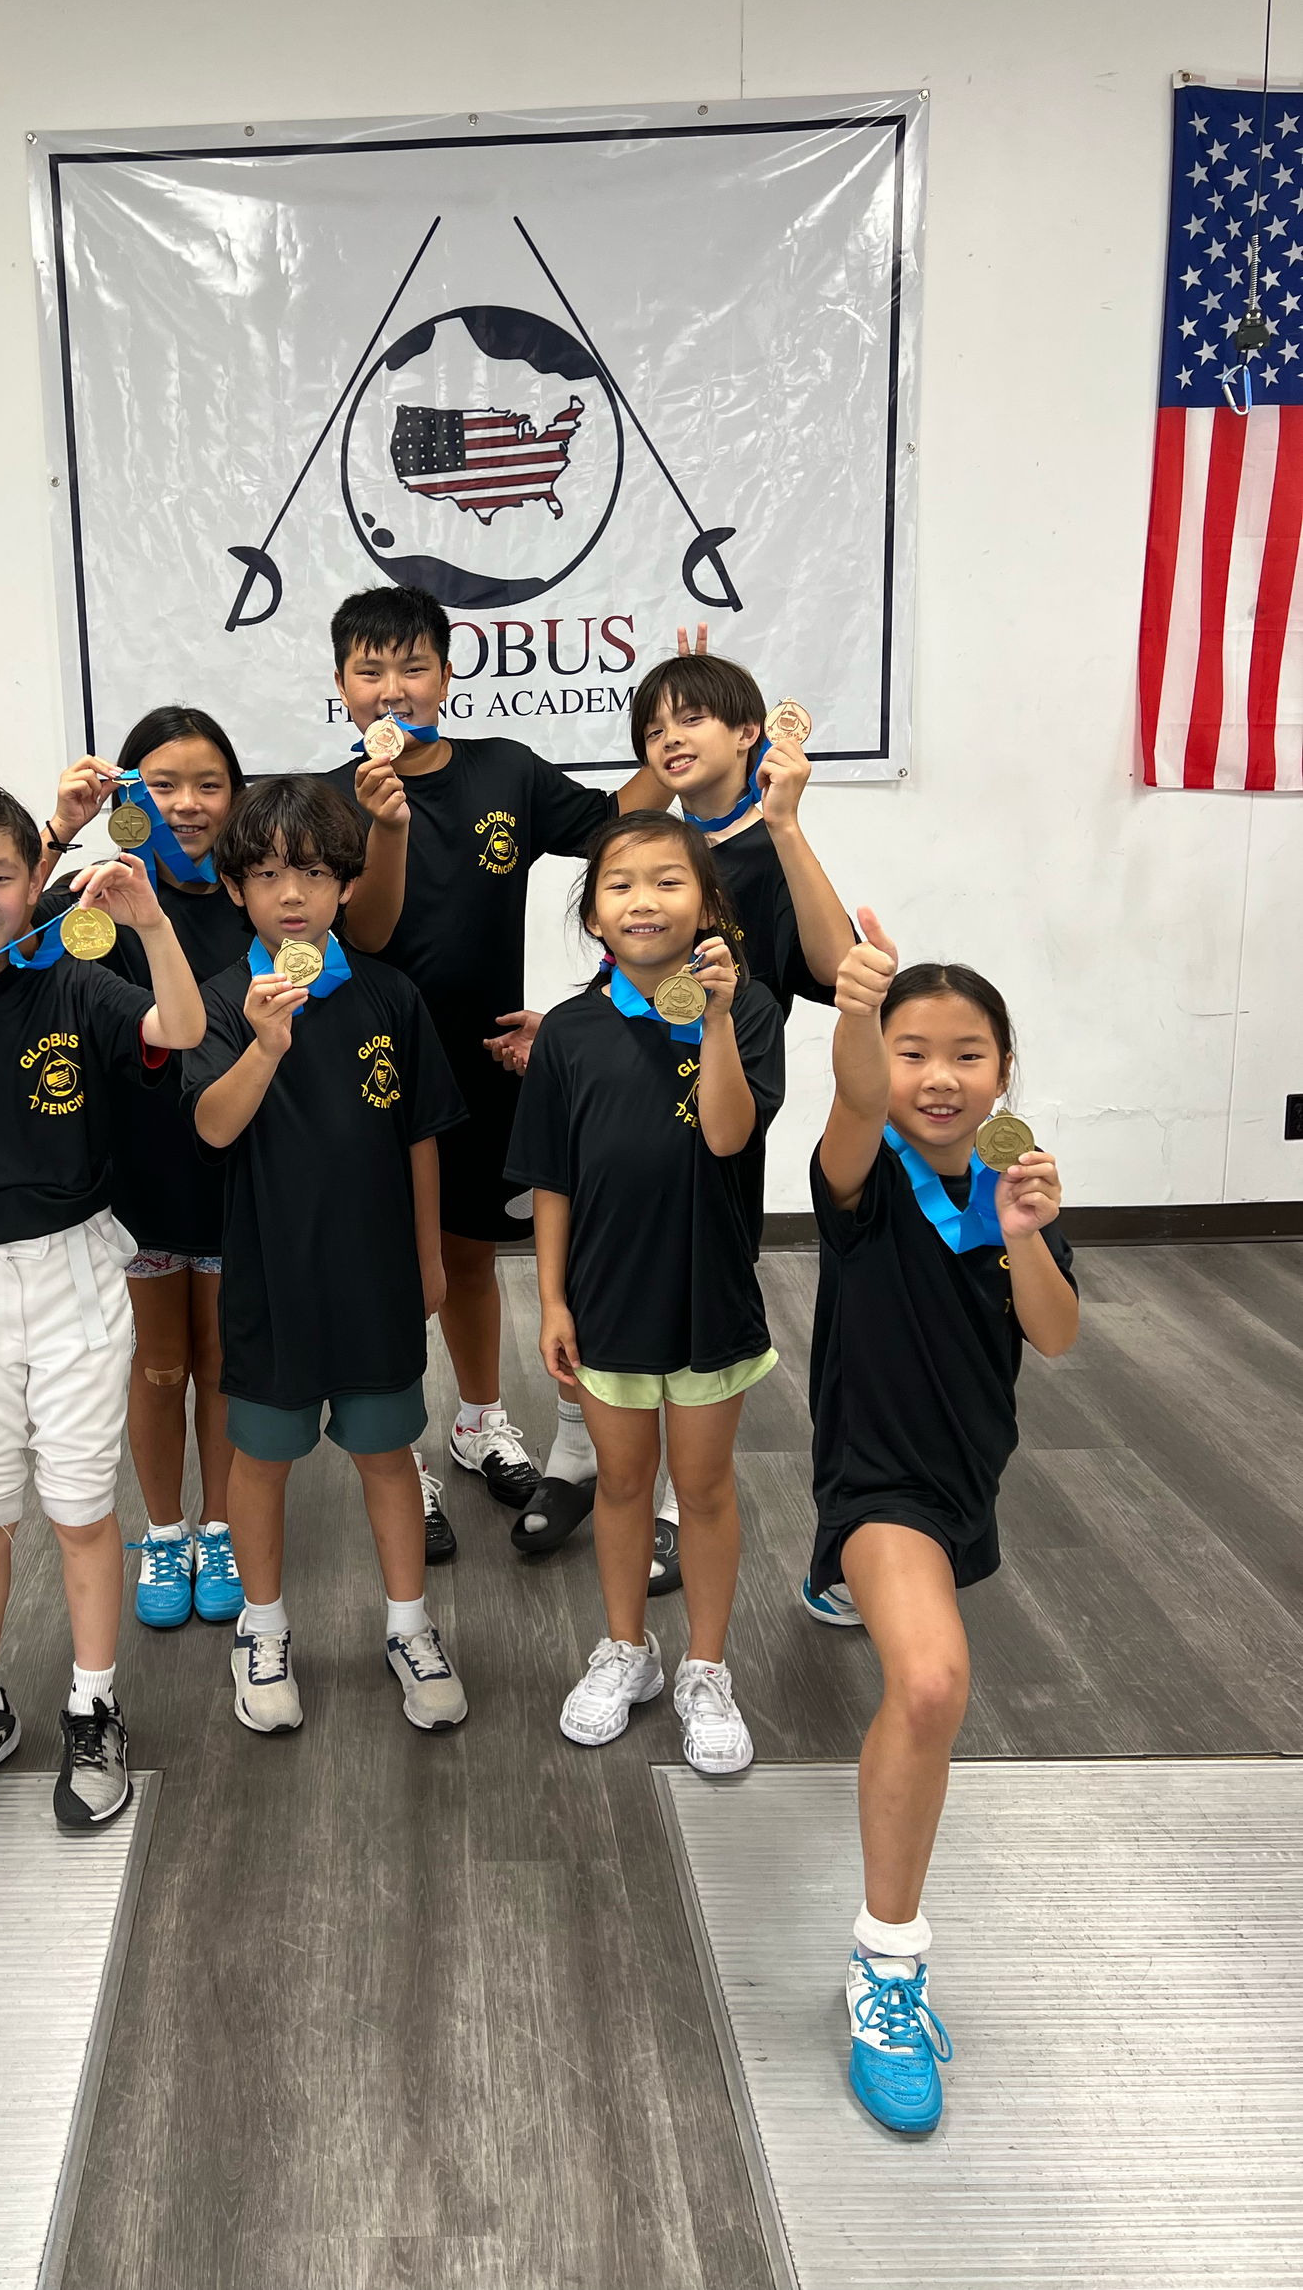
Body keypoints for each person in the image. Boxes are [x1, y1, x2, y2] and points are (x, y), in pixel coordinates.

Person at [39, 704, 413, 1627]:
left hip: (248, 1171)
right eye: (160, 784)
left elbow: (353, 944)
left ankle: (217, 1525)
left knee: (226, 1363)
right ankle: (164, 1530)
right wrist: (55, 832)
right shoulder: (102, 891)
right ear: (127, 793)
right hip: (138, 1167)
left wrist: (390, 830)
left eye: (209, 783)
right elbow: (4, 940)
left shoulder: (252, 893)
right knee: (158, 1366)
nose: (186, 803)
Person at [321, 584, 677, 1550]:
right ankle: (405, 1462)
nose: (392, 688)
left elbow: (610, 824)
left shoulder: (504, 771)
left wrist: (667, 756)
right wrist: (381, 825)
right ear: (342, 686)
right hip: (368, 1068)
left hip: (482, 1059)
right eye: (370, 671)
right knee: (395, 1265)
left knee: (472, 1257)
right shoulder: (331, 802)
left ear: (445, 672)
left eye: (412, 666)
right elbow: (368, 931)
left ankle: (478, 1422)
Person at [0, 776, 205, 1833]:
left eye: (0, 876)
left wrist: (151, 924)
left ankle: (93, 1701)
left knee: (80, 1511)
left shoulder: (72, 984)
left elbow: (183, 1024)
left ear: (37, 881)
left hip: (76, 1280)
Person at [810, 914, 1078, 2134]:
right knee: (930, 1684)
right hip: (875, 1481)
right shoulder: (862, 1184)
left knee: (927, 1676)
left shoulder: (1016, 1179)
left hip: (968, 1474)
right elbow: (852, 1100)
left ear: (1004, 1070)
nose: (937, 1075)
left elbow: (1058, 1333)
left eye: (965, 1053)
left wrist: (1027, 1236)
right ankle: (887, 1965)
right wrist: (856, 1011)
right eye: (912, 1050)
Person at [516, 627, 853, 1592]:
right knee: (598, 1286)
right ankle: (588, 1459)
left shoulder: (761, 844)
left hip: (722, 1089)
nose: (668, 739)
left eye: (693, 719)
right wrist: (572, 1028)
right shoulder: (654, 850)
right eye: (652, 726)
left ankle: (675, 1503)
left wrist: (785, 823)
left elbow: (828, 970)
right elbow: (625, 976)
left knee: (699, 1287)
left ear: (748, 732)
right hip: (636, 1080)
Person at [183, 775, 470, 1738]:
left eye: (310, 871)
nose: (290, 894)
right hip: (269, 1282)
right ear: (235, 892)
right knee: (259, 1466)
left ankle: (408, 1627)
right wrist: (263, 1047)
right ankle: (262, 1633)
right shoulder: (220, 1003)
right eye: (265, 875)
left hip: (378, 1277)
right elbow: (213, 1129)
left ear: (347, 883)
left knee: (388, 1457)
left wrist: (428, 1258)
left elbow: (421, 1135)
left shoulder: (389, 994)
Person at [506, 813, 782, 1767]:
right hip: (606, 1300)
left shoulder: (747, 1014)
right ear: (592, 916)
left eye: (668, 882)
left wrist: (711, 1016)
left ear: (705, 906)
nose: (642, 900)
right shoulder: (570, 1032)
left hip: (710, 1301)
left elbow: (725, 1135)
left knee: (700, 1489)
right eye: (619, 884)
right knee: (621, 1483)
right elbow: (553, 1180)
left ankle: (706, 1667)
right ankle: (627, 1651)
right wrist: (550, 1300)